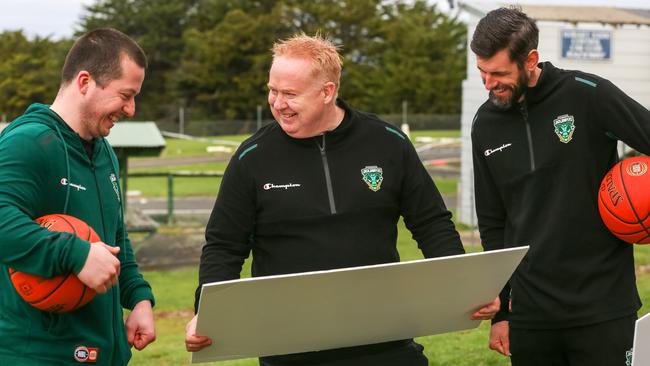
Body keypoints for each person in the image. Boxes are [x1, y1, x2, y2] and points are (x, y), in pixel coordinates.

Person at [184, 33, 499, 366]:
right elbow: (224, 245)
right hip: (290, 348)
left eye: (290, 94)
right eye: (272, 91)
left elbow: (431, 223)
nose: (277, 103)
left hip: (383, 342)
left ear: (327, 92)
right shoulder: (252, 157)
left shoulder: (387, 142)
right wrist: (207, 315)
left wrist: (464, 288)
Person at [470, 6, 650, 366]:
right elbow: (493, 223)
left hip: (603, 305)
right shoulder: (484, 124)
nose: (488, 84)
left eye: (499, 73)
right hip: (530, 315)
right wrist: (502, 313)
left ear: (531, 59)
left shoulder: (589, 94)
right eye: (482, 72)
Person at [0, 28, 155, 365]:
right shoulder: (28, 142)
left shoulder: (104, 152)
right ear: (85, 82)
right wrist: (75, 253)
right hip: (39, 355)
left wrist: (138, 297)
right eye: (125, 95)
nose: (131, 109)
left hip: (102, 353)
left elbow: (114, 236)